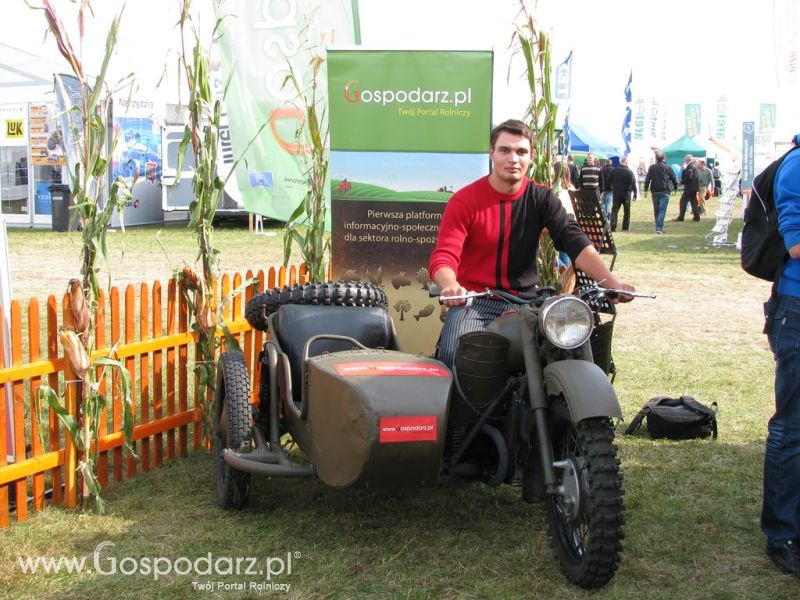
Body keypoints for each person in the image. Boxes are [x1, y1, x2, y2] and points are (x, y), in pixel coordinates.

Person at [428, 119, 635, 368]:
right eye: (505, 150)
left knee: (576, 352)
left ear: (531, 156)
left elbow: (574, 241)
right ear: (492, 152)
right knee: (454, 358)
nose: (513, 158)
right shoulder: (464, 200)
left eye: (521, 151)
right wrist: (450, 285)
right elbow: (444, 256)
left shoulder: (541, 197)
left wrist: (613, 283)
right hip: (475, 301)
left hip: (528, 302)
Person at [761, 132, 800, 577]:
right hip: (796, 309)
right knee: (792, 425)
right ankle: (782, 533)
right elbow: (795, 244)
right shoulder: (796, 165)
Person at [644, 150, 678, 234]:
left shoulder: (652, 167)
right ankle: (659, 227)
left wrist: (645, 189)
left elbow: (647, 179)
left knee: (656, 209)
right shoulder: (668, 167)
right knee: (662, 210)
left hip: (654, 190)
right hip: (665, 190)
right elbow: (674, 178)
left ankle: (658, 226)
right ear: (664, 158)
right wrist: (675, 188)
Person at [608, 156, 638, 231]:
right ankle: (625, 227)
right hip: (626, 194)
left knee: (614, 211)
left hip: (616, 193)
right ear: (626, 162)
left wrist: (611, 187)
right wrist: (635, 194)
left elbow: (608, 180)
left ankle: (612, 226)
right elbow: (633, 184)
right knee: (627, 211)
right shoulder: (629, 172)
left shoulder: (614, 171)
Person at [674, 154, 700, 221]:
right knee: (693, 203)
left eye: (685, 160)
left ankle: (681, 217)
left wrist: (681, 182)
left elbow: (689, 177)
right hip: (693, 188)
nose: (684, 161)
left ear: (687, 160)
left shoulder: (690, 166)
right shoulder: (693, 166)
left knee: (683, 202)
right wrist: (684, 170)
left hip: (689, 188)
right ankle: (696, 217)